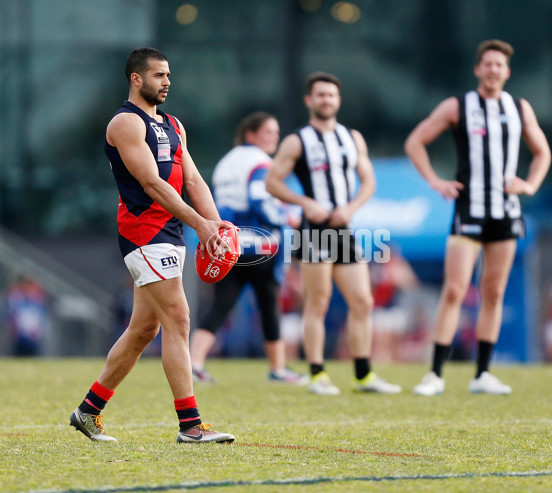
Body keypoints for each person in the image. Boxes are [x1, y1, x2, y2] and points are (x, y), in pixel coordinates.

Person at [69, 47, 235, 443]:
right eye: (159, 75)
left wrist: (214, 225)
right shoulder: (124, 123)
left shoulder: (175, 124)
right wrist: (202, 226)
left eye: (169, 75)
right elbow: (152, 184)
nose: (167, 82)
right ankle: (191, 427)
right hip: (144, 231)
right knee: (178, 319)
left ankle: (87, 411)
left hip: (172, 232)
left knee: (143, 329)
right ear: (136, 79)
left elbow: (192, 180)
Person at [404, 39, 551, 396]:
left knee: (494, 292)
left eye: (499, 65)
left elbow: (541, 152)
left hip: (505, 212)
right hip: (468, 209)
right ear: (478, 69)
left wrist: (530, 185)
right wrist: (435, 181)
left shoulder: (519, 108)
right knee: (455, 289)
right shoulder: (459, 105)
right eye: (487, 63)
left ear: (507, 71)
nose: (493, 70)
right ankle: (435, 374)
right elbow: (415, 142)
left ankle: (482, 374)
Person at [265, 71, 401, 395]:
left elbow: (368, 181)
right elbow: (272, 181)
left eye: (331, 95)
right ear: (309, 100)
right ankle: (317, 373)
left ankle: (364, 374)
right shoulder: (298, 140)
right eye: (320, 95)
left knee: (363, 301)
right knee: (318, 302)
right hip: (313, 230)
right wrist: (304, 202)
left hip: (344, 228)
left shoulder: (351, 138)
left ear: (338, 101)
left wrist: (351, 208)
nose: (326, 100)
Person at [189, 111, 308, 385]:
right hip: (261, 245)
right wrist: (286, 216)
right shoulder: (261, 163)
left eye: (276, 133)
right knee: (269, 305)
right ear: (251, 134)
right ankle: (278, 369)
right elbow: (259, 199)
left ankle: (195, 363)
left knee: (221, 304)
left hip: (229, 244)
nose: (274, 139)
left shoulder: (225, 163)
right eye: (269, 132)